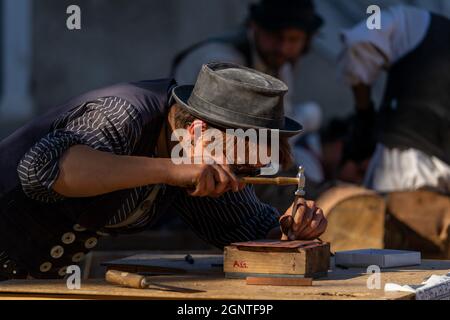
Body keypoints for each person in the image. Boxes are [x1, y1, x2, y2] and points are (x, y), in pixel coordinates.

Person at [0, 62, 327, 280]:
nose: (239, 183)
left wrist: (290, 231)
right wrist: (171, 170)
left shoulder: (197, 162)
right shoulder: (121, 114)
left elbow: (248, 228)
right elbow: (42, 169)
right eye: (239, 167)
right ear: (199, 133)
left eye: (252, 170)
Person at [338, 5, 450, 193]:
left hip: (402, 174)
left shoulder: (413, 21)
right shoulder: (417, 23)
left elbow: (359, 43)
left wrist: (364, 111)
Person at [172, 0, 324, 118]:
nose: (283, 48)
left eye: (293, 39)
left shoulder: (280, 64)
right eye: (275, 36)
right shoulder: (224, 61)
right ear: (254, 26)